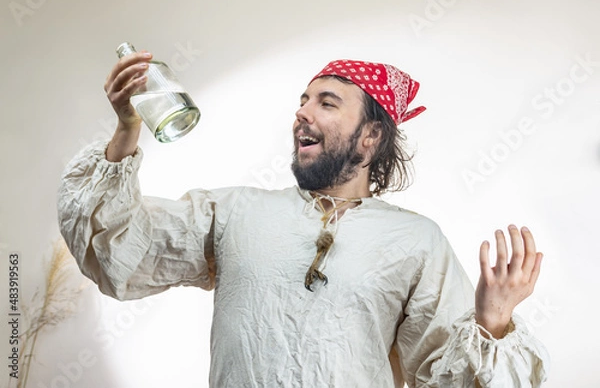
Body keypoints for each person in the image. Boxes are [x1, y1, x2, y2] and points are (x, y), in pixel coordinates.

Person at [57, 52, 550, 387]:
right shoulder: (231, 213)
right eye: (302, 101)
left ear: (370, 136)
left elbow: (443, 378)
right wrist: (127, 127)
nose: (302, 113)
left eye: (326, 102)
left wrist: (493, 320)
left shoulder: (417, 241)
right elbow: (116, 250)